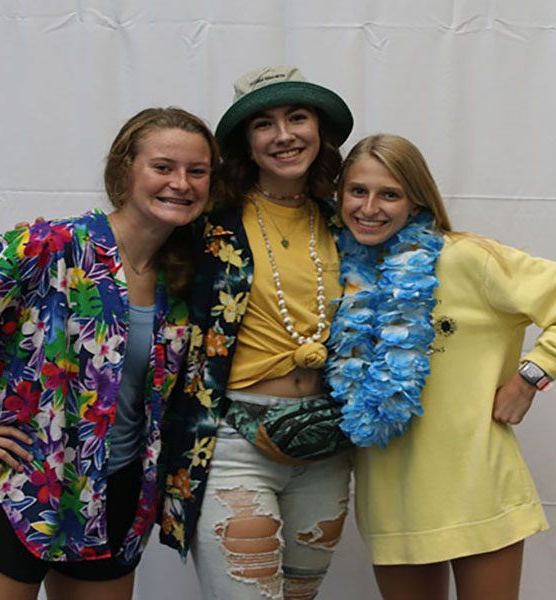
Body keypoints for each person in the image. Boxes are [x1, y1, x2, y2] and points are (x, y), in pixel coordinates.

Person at [0, 107, 218, 599]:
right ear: (124, 170)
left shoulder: (184, 275)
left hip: (116, 495)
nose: (181, 182)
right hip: (18, 486)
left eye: (197, 171)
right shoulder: (51, 246)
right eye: (163, 167)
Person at [327, 133, 556, 600]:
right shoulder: (340, 273)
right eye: (358, 191)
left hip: (478, 486)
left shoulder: (467, 258)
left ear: (416, 199)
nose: (370, 207)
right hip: (392, 498)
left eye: (390, 193)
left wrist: (531, 376)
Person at [158, 66, 355, 599]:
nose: (284, 135)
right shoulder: (204, 222)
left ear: (320, 131)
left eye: (297, 117)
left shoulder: (349, 223)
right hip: (233, 440)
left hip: (326, 442)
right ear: (247, 142)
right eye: (264, 124)